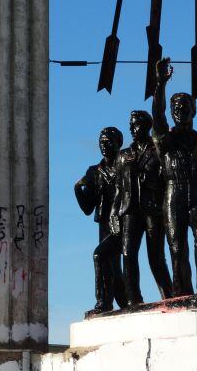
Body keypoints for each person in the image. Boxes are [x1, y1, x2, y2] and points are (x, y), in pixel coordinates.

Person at [151, 57, 197, 296]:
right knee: (177, 247)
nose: (181, 110)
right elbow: (157, 118)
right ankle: (182, 292)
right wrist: (160, 84)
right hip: (173, 192)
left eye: (186, 106)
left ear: (194, 110)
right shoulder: (165, 141)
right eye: (176, 108)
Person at [113, 110, 174, 305]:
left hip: (153, 208)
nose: (132, 129)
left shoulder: (157, 149)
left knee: (156, 256)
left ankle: (169, 295)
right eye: (130, 125)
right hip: (129, 210)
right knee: (128, 254)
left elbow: (167, 179)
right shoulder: (123, 155)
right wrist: (115, 213)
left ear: (147, 126)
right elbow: (118, 187)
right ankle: (133, 299)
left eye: (136, 125)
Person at [74, 127, 128, 312]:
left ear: (119, 144)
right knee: (113, 266)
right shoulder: (94, 172)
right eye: (101, 142)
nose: (104, 146)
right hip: (104, 225)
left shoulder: (125, 165)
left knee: (100, 256)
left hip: (123, 223)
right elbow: (88, 209)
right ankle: (125, 303)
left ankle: (103, 303)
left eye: (108, 142)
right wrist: (77, 190)